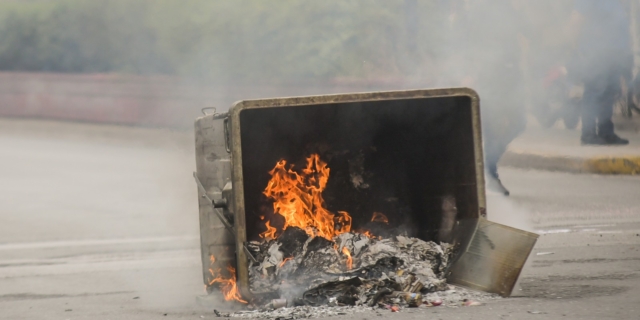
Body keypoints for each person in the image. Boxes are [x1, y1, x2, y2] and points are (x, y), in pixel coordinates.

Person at [570, 0, 632, 145]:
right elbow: (576, 19)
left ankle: (606, 133)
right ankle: (588, 134)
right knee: (594, 91)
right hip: (595, 52)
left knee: (609, 92)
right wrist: (576, 49)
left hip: (614, 54)